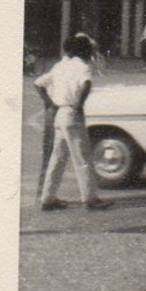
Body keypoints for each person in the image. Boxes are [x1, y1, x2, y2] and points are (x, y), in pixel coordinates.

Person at [35, 33, 110, 211]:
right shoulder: (83, 67)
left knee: (57, 158)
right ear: (84, 51)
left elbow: (38, 84)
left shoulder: (60, 65)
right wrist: (79, 103)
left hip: (59, 113)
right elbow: (86, 85)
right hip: (73, 113)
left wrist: (49, 102)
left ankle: (48, 197)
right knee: (82, 157)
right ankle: (90, 198)